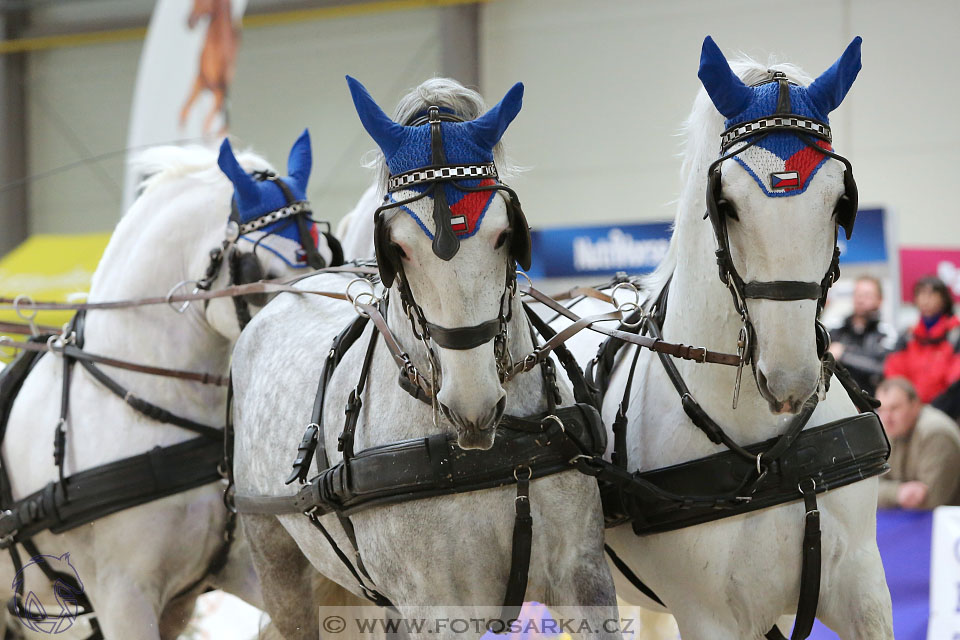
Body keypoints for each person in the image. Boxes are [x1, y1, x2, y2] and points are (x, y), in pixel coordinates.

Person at [875, 377, 960, 509]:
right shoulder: (887, 430)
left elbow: (930, 500)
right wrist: (897, 493)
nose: (886, 417)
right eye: (881, 410)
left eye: (894, 408)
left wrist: (888, 494)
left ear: (915, 405)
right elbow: (867, 488)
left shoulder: (936, 434)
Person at [884, 275, 960, 403]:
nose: (925, 300)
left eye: (932, 294)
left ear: (944, 299)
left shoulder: (955, 335)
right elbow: (894, 373)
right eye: (921, 294)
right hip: (910, 409)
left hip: (947, 410)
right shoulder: (908, 336)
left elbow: (955, 379)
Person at [828, 276, 894, 395]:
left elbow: (883, 368)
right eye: (857, 295)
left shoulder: (887, 333)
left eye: (867, 295)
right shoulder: (836, 328)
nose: (860, 300)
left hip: (871, 401)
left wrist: (844, 355)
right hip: (838, 399)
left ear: (880, 300)